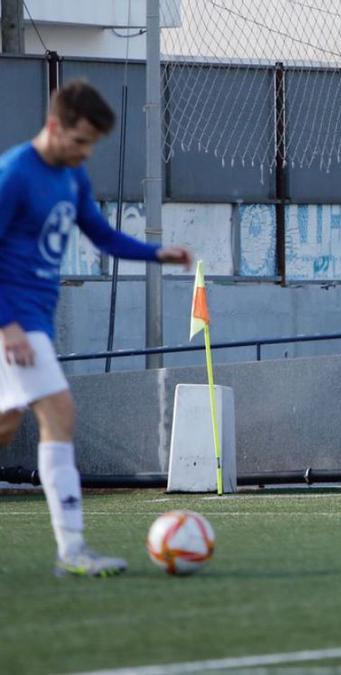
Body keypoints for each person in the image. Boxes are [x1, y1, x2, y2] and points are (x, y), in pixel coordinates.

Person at [0, 80, 193, 577]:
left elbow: (101, 235)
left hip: (32, 318)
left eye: (93, 145)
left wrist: (155, 253)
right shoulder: (15, 173)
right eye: (80, 141)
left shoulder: (72, 177)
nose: (86, 153)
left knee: (6, 425)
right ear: (53, 126)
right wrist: (8, 326)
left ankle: (72, 550)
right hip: (14, 319)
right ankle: (73, 551)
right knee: (60, 412)